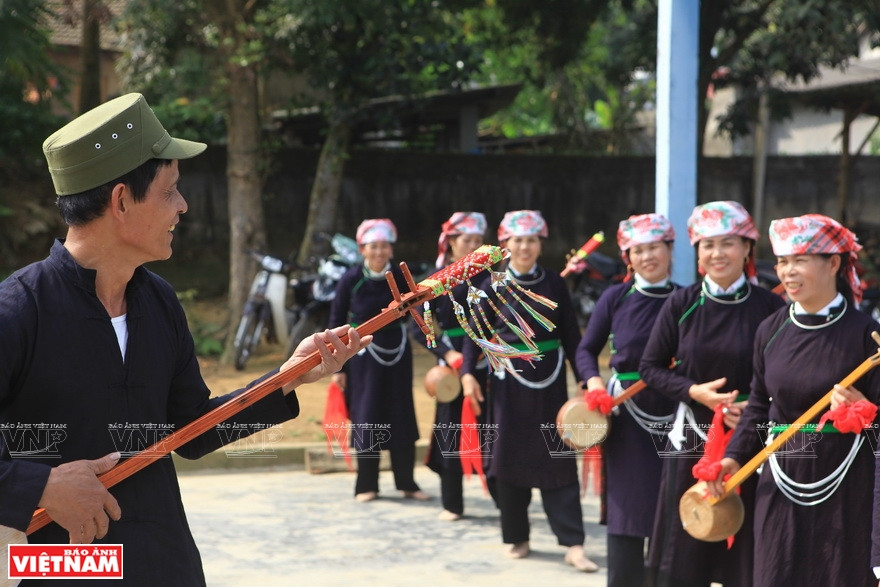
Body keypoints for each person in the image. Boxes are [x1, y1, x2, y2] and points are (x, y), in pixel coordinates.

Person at [0, 93, 369, 585]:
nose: (184, 205)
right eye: (170, 190)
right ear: (121, 201)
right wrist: (41, 484)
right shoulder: (19, 311)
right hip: (62, 567)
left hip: (164, 559)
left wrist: (287, 378)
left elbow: (191, 428)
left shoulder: (159, 304)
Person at [707, 215, 880, 586]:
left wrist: (866, 409)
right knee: (775, 571)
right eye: (782, 261)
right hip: (780, 478)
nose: (787, 272)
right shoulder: (770, 330)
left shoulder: (867, 336)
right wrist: (732, 457)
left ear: (833, 263)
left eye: (799, 260)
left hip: (846, 485)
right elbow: (757, 404)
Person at [639, 200, 785, 587]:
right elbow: (649, 367)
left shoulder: (771, 307)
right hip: (691, 437)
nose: (717, 253)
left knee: (745, 543)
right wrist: (694, 392)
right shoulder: (682, 303)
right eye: (707, 245)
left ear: (748, 249)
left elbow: (779, 375)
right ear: (697, 251)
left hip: (748, 440)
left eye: (728, 243)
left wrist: (756, 408)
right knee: (686, 543)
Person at [460, 209, 598, 572]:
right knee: (508, 459)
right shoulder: (492, 287)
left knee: (558, 458)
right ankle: (517, 537)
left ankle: (573, 543)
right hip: (507, 386)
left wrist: (585, 376)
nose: (524, 246)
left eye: (531, 240)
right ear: (504, 245)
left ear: (540, 244)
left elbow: (571, 335)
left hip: (550, 385)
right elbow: (474, 335)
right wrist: (466, 374)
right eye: (517, 240)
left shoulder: (554, 283)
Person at [574, 213, 679, 587]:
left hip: (678, 414)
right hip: (626, 416)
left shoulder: (686, 299)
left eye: (655, 247)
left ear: (670, 250)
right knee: (627, 509)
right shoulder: (615, 298)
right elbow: (586, 349)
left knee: (671, 508)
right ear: (627, 256)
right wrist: (593, 383)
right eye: (639, 250)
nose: (648, 256)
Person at [328, 218, 429, 503]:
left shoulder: (400, 278)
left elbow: (417, 311)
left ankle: (407, 482)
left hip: (397, 350)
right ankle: (366, 485)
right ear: (362, 249)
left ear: (391, 249)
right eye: (373, 246)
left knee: (401, 413)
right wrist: (339, 366)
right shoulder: (350, 279)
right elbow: (336, 321)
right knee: (367, 415)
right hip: (361, 355)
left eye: (384, 246)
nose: (379, 252)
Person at [414, 211, 490, 521]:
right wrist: (447, 354)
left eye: (477, 241)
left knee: (491, 426)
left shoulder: (491, 277)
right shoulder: (436, 282)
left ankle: (503, 496)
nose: (472, 246)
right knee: (449, 429)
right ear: (451, 243)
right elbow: (420, 326)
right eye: (466, 240)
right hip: (452, 364)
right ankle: (452, 502)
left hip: (489, 360)